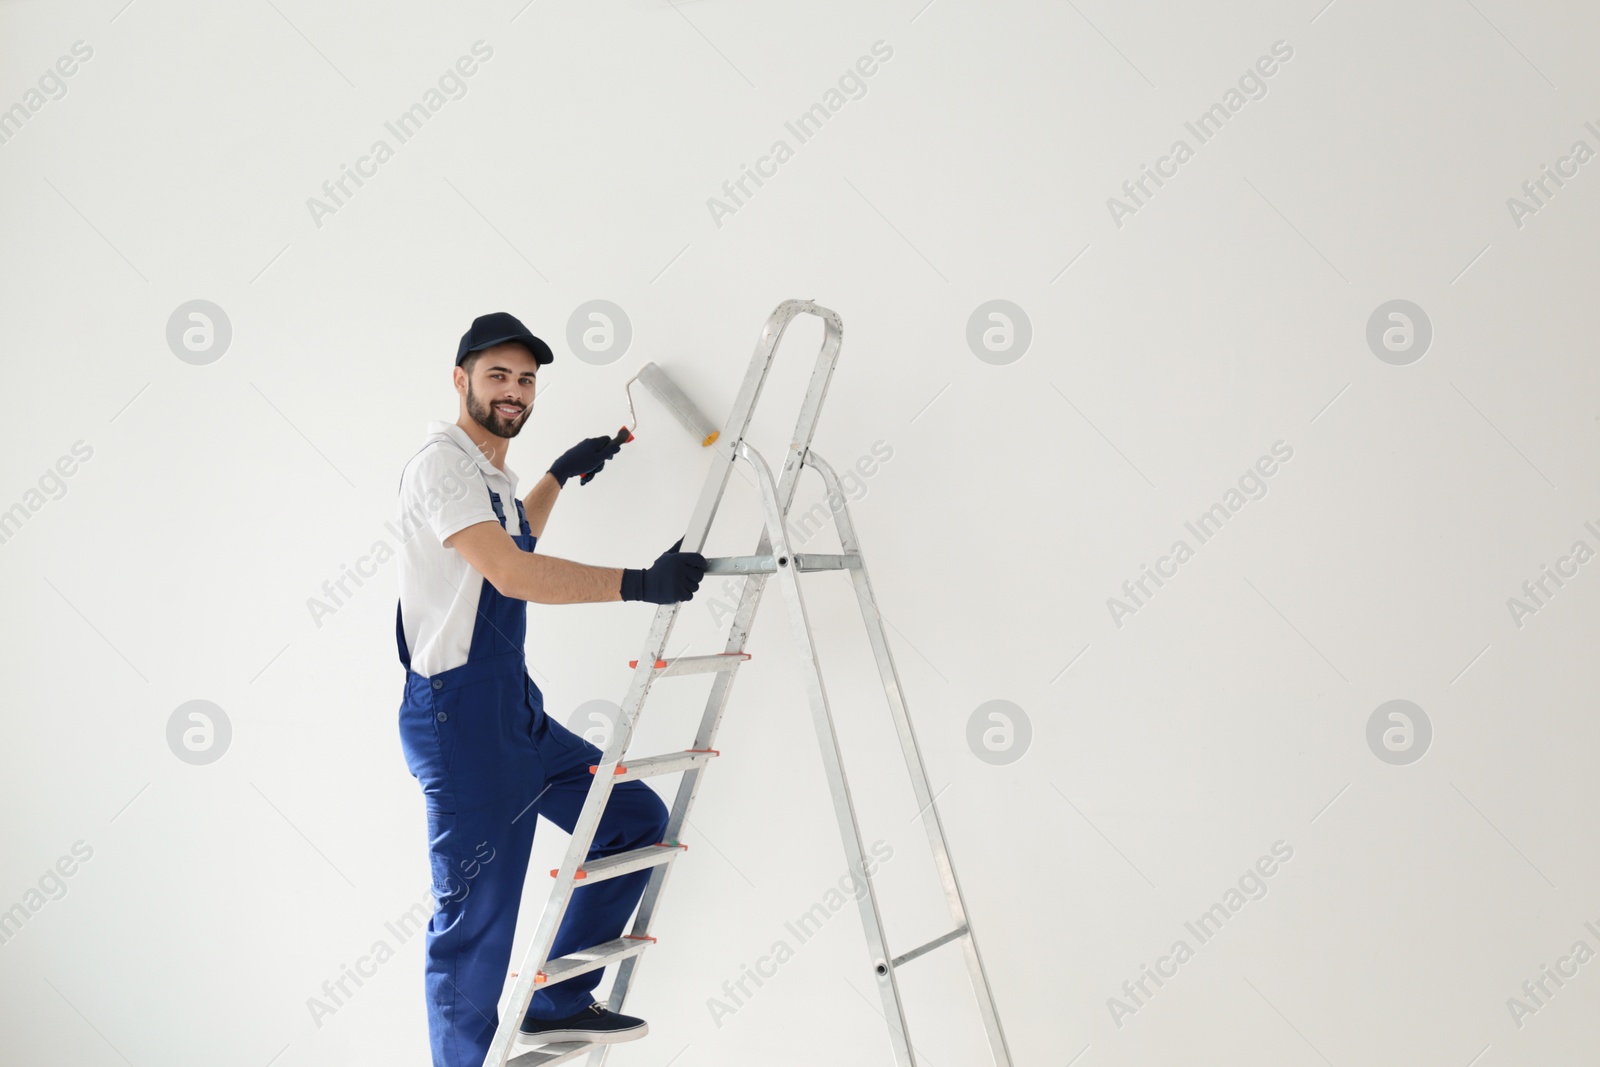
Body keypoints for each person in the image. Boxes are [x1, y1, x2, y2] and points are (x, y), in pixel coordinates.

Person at [394, 311, 707, 1066]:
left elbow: (511, 536)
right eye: (497, 374)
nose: (514, 390)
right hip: (460, 721)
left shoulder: (488, 475)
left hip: (514, 710)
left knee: (632, 816)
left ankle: (557, 998)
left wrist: (561, 472)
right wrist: (641, 584)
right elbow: (513, 572)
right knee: (475, 923)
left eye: (526, 378)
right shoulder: (440, 463)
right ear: (461, 378)